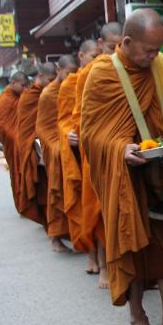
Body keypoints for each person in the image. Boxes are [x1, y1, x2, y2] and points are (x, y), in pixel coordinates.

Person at [80, 9, 163, 325]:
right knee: (132, 243)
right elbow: (90, 132)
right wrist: (120, 148)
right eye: (147, 50)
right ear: (126, 42)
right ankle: (137, 316)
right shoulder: (102, 73)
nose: (154, 56)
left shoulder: (161, 66)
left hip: (158, 168)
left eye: (158, 49)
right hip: (123, 173)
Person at [77, 27, 122, 285]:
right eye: (108, 48)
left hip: (121, 146)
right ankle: (101, 263)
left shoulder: (126, 66)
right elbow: (75, 115)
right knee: (99, 211)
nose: (113, 53)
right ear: (100, 43)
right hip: (93, 149)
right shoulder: (89, 74)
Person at [57, 41, 98, 268]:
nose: (96, 59)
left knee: (99, 207)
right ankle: (92, 257)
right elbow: (63, 120)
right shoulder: (69, 84)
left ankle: (104, 260)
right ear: (82, 55)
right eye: (93, 55)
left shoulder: (103, 74)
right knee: (85, 206)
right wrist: (67, 134)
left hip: (95, 145)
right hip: (76, 150)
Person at [36, 56, 77, 253]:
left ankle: (74, 233)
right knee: (56, 189)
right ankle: (55, 238)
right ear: (59, 70)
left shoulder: (73, 87)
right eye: (69, 73)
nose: (72, 76)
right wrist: (56, 146)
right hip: (54, 144)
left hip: (69, 141)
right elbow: (43, 126)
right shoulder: (48, 93)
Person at [15, 63, 57, 227]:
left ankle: (58, 231)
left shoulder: (50, 92)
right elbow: (26, 127)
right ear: (40, 75)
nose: (52, 83)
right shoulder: (30, 96)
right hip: (35, 150)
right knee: (45, 191)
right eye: (50, 79)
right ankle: (53, 232)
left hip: (50, 145)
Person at [0, 72, 30, 209]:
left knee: (26, 170)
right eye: (22, 85)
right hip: (13, 142)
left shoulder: (20, 97)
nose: (25, 89)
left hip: (22, 139)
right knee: (16, 172)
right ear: (13, 82)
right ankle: (21, 203)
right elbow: (3, 126)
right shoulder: (4, 99)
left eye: (26, 86)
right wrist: (17, 139)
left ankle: (29, 202)